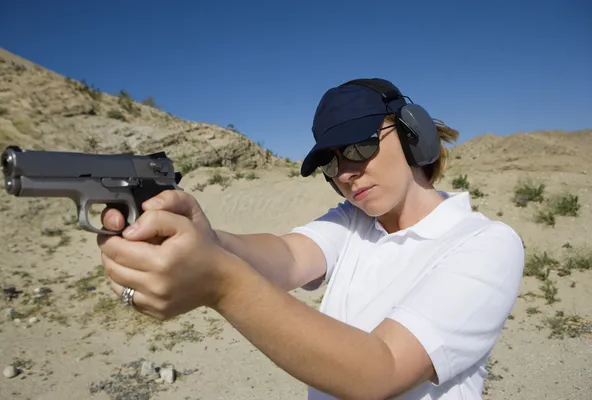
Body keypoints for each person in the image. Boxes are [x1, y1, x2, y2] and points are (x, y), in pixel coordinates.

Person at [96, 78, 525, 400]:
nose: (345, 172)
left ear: (413, 134)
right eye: (330, 163)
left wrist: (221, 283)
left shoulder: (485, 243)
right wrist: (202, 237)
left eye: (358, 147)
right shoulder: (353, 221)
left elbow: (383, 369)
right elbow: (283, 256)